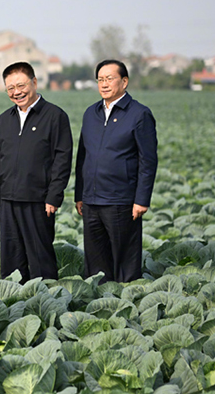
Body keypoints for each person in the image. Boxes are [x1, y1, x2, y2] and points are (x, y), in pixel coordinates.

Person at [75, 59, 158, 283]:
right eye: (100, 79)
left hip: (121, 200)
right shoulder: (90, 113)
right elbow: (83, 156)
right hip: (92, 200)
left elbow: (148, 161)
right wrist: (79, 195)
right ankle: (99, 302)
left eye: (109, 78)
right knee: (95, 262)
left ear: (124, 81)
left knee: (125, 261)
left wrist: (141, 200)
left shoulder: (139, 114)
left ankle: (128, 301)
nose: (104, 84)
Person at [0, 62, 72, 282]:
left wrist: (54, 195)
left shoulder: (55, 116)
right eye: (10, 88)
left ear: (34, 82)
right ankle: (13, 305)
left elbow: (62, 160)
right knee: (10, 258)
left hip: (39, 200)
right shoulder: (4, 119)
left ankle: (45, 302)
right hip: (8, 199)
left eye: (21, 85)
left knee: (40, 258)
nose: (16, 92)